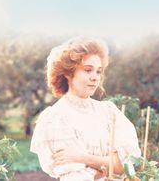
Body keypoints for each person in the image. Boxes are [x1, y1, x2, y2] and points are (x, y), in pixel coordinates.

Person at [30, 37, 141, 181]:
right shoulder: (54, 119)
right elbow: (76, 176)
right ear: (68, 73)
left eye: (98, 71)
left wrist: (83, 157)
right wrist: (107, 164)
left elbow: (124, 166)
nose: (95, 78)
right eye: (88, 70)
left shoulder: (109, 112)